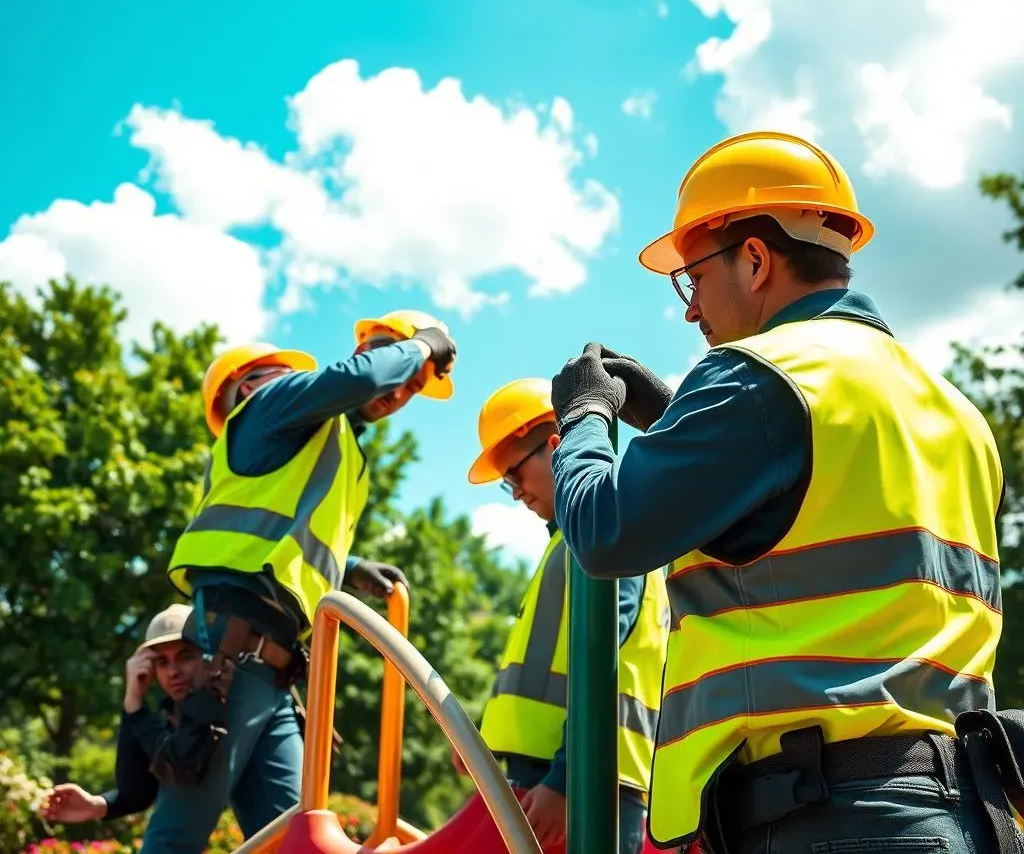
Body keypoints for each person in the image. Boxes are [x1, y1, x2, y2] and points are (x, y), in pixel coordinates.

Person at [547, 131, 1011, 853]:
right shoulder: (956, 415)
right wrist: (674, 419)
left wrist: (584, 414)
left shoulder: (759, 374)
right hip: (963, 815)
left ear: (756, 259)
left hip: (821, 817)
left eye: (693, 279)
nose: (690, 311)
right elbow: (812, 506)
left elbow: (607, 530)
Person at [147, 310, 457, 853]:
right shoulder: (269, 404)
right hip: (231, 648)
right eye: (398, 374)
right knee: (181, 830)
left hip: (273, 668)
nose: (398, 393)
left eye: (410, 389)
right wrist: (423, 346)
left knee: (291, 836)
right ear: (248, 384)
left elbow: (281, 535)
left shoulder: (325, 448)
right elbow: (360, 378)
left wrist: (350, 567)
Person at [463, 377, 670, 854]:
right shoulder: (568, 543)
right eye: (505, 484)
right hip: (557, 774)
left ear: (557, 446)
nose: (514, 492)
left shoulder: (604, 532)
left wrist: (565, 777)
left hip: (590, 780)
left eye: (514, 474)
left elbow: (603, 657)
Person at [41, 604, 201, 828]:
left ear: (207, 657)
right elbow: (137, 792)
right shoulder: (166, 720)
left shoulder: (226, 712)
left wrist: (137, 713)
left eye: (185, 656)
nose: (173, 671)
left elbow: (180, 765)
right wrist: (97, 805)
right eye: (162, 662)